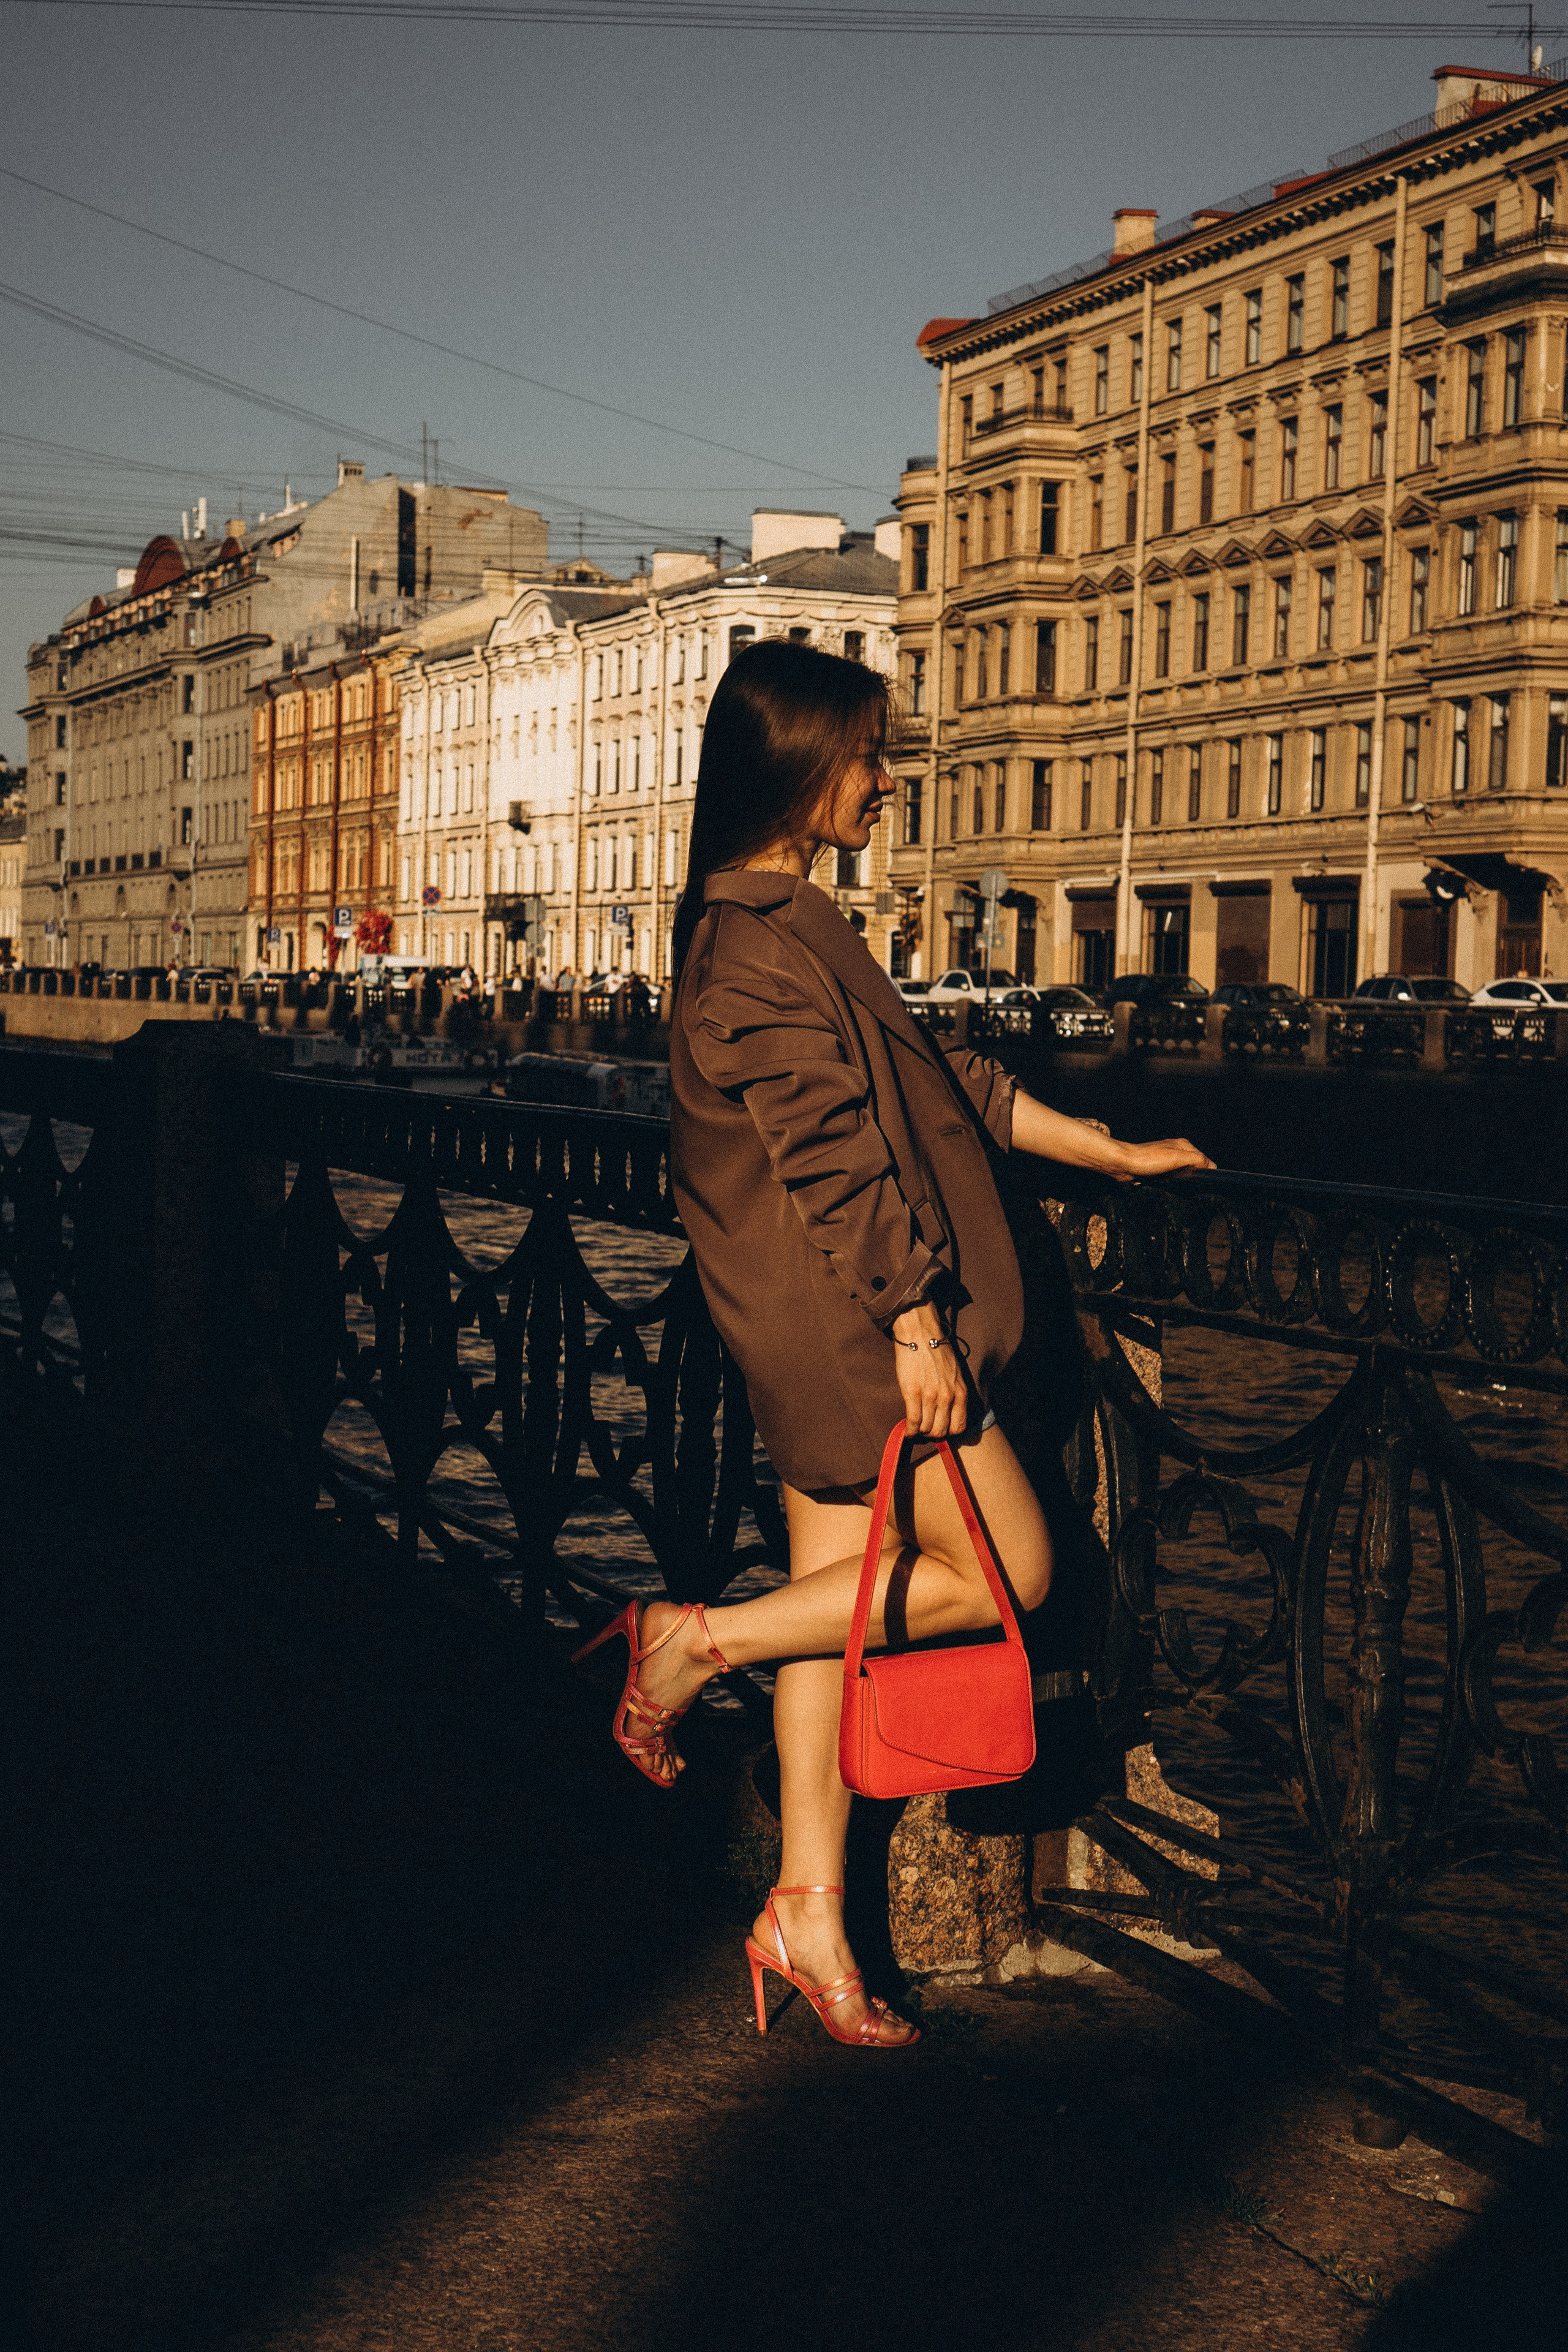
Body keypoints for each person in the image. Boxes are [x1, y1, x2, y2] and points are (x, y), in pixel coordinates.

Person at [576, 641, 1213, 2049]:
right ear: (798, 767)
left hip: (828, 1321)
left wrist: (1104, 1152)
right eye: (868, 753)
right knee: (1013, 1571)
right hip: (860, 1329)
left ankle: (808, 1908)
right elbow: (832, 1156)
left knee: (842, 1607)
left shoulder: (787, 920)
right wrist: (916, 1320)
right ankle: (687, 1642)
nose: (888, 776)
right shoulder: (755, 944)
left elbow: (944, 1086)